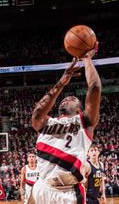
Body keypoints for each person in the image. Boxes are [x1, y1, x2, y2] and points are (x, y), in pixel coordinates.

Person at [29, 46, 101, 204]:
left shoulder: (84, 123)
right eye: (64, 98)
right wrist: (61, 83)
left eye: (72, 98)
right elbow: (36, 113)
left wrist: (87, 59)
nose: (66, 98)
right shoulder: (47, 122)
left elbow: (95, 87)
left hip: (66, 193)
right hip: (41, 186)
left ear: (79, 110)